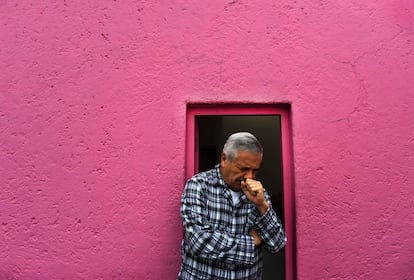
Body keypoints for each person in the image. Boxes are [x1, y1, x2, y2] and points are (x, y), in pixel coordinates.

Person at [178, 132, 287, 280]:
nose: (250, 176)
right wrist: (252, 241)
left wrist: (262, 206)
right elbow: (199, 242)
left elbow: (277, 244)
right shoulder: (199, 186)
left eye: (255, 170)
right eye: (243, 168)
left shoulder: (258, 194)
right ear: (224, 158)